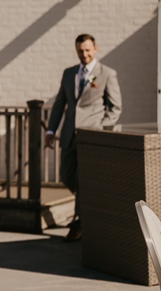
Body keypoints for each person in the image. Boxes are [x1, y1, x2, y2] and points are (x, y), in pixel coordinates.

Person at [45, 34, 122, 242]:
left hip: (92, 136)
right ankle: (88, 207)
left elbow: (115, 108)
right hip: (69, 135)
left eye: (88, 50)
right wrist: (51, 131)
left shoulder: (107, 74)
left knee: (82, 179)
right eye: (80, 50)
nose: (84, 54)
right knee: (66, 176)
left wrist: (101, 129)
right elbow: (60, 103)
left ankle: (78, 223)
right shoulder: (69, 73)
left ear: (95, 49)